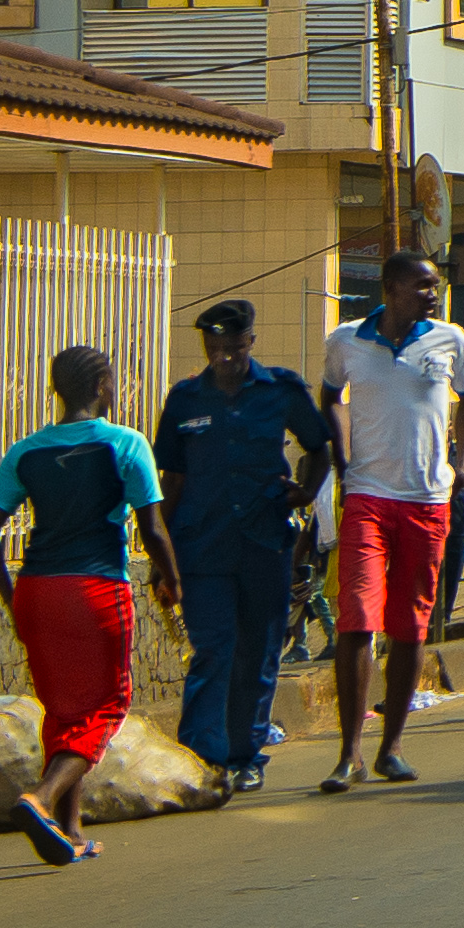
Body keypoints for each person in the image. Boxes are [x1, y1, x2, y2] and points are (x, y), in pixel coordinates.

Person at [0, 344, 177, 864]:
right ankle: (39, 798)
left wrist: (11, 595)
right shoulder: (125, 444)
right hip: (96, 590)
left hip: (38, 592)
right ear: (104, 387)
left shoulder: (25, 451)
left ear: (56, 391)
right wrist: (171, 578)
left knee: (62, 711)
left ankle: (70, 829)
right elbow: (151, 529)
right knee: (107, 707)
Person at [149, 296, 334, 794]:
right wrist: (159, 553)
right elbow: (173, 479)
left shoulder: (281, 391)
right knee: (213, 649)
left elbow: (320, 448)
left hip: (265, 543)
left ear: (250, 341)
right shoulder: (185, 400)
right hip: (201, 546)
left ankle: (245, 753)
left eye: (234, 346)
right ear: (205, 346)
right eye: (216, 347)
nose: (225, 356)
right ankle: (200, 756)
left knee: (259, 651)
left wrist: (307, 491)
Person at [318, 250, 464, 793]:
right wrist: (342, 457)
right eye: (421, 286)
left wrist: (460, 463)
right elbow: (330, 395)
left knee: (410, 625)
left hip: (428, 501)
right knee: (356, 619)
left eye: (435, 286)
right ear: (389, 289)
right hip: (367, 494)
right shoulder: (347, 340)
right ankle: (349, 753)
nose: (431, 294)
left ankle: (393, 746)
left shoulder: (450, 340)